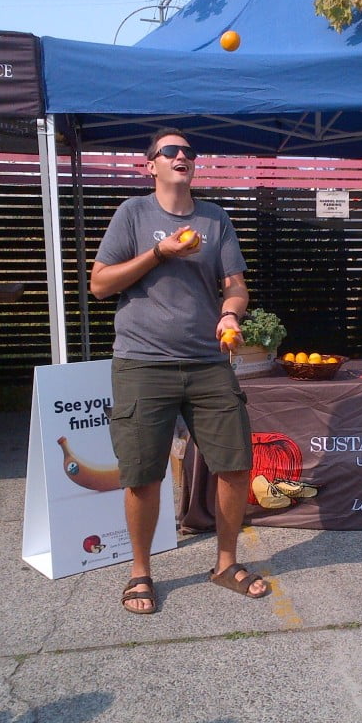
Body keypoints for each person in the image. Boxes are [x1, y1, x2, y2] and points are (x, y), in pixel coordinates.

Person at [91, 128, 270, 614]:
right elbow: (100, 285)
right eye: (169, 151)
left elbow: (235, 286)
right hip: (143, 362)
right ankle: (140, 573)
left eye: (188, 151)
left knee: (234, 465)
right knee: (143, 475)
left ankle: (225, 563)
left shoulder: (215, 219)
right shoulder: (132, 214)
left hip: (209, 362)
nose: (181, 156)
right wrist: (159, 253)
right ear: (150, 165)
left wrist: (231, 313)